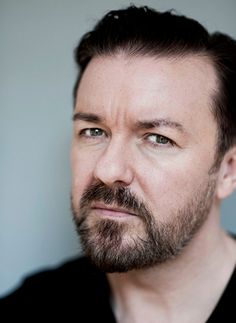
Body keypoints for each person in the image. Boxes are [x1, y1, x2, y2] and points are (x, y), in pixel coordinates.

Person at [1, 5, 236, 322]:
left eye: (158, 138)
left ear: (228, 170)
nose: (108, 170)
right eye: (93, 131)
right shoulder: (30, 308)